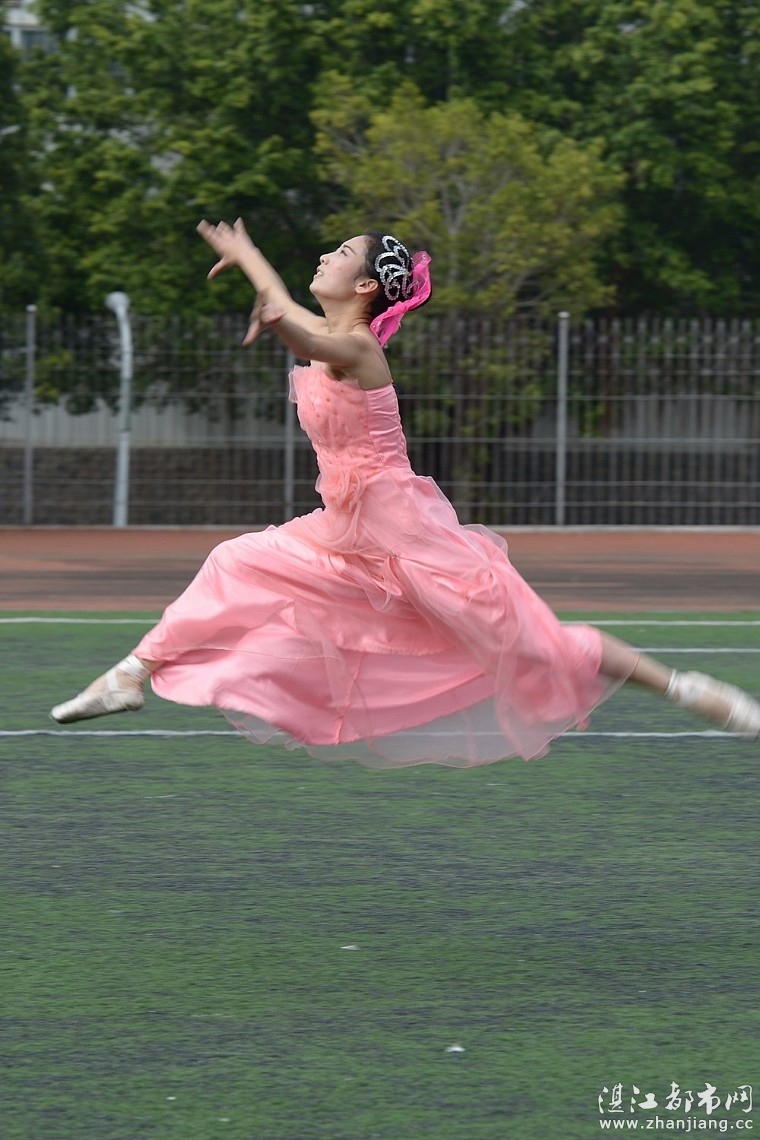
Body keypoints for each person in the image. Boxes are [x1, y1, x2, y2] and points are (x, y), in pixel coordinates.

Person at [50, 221, 760, 766]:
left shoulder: (358, 348)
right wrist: (249, 257)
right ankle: (129, 675)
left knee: (541, 646)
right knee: (234, 561)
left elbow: (299, 331)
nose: (324, 256)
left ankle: (687, 688)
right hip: (345, 531)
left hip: (410, 540)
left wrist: (270, 302)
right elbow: (290, 314)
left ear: (365, 287)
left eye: (339, 253)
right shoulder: (327, 331)